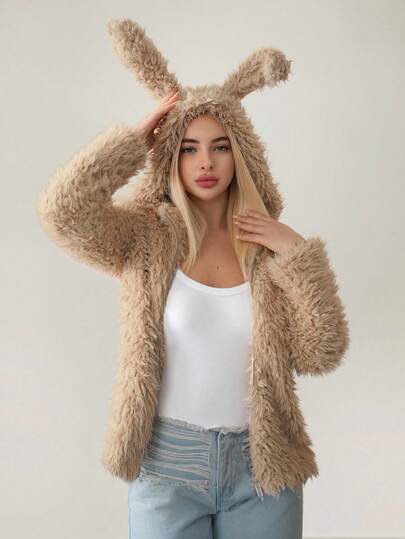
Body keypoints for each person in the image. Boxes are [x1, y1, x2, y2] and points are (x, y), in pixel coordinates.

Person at [36, 18, 350, 539]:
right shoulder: (146, 238)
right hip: (167, 466)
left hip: (262, 470)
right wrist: (135, 142)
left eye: (220, 146)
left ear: (241, 154)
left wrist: (296, 252)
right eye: (188, 147)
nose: (206, 161)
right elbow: (62, 212)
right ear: (172, 155)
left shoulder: (266, 249)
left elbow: (322, 351)